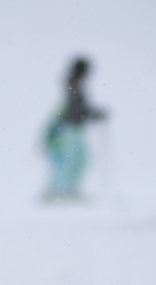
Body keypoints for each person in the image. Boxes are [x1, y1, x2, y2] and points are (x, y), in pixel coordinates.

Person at [44, 57, 106, 201]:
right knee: (75, 159)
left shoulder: (74, 84)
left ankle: (65, 188)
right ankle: (62, 189)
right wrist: (93, 114)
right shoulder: (73, 85)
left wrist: (92, 114)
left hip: (75, 127)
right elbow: (76, 108)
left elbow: (79, 108)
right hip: (71, 127)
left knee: (79, 159)